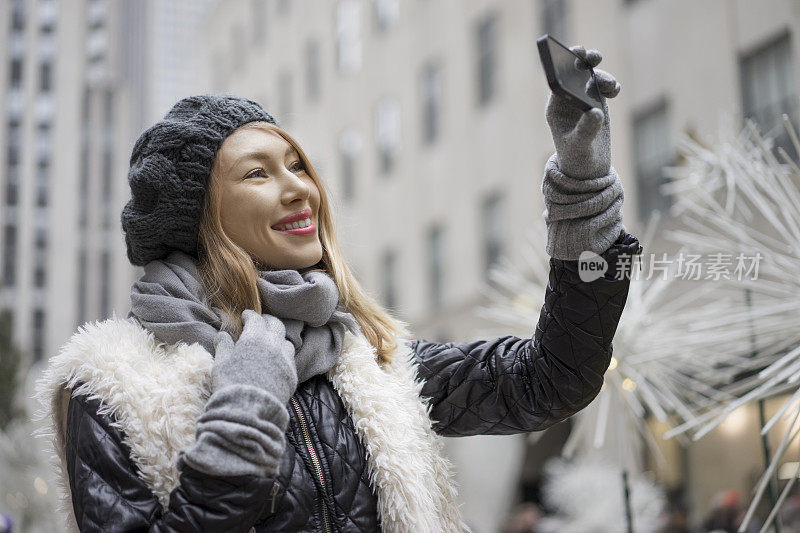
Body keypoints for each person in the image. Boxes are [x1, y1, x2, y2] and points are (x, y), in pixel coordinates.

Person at [35, 45, 640, 532]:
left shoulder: (370, 363)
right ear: (198, 218)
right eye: (257, 173)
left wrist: (582, 185)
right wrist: (243, 420)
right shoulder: (116, 386)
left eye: (297, 165)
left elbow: (552, 378)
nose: (301, 188)